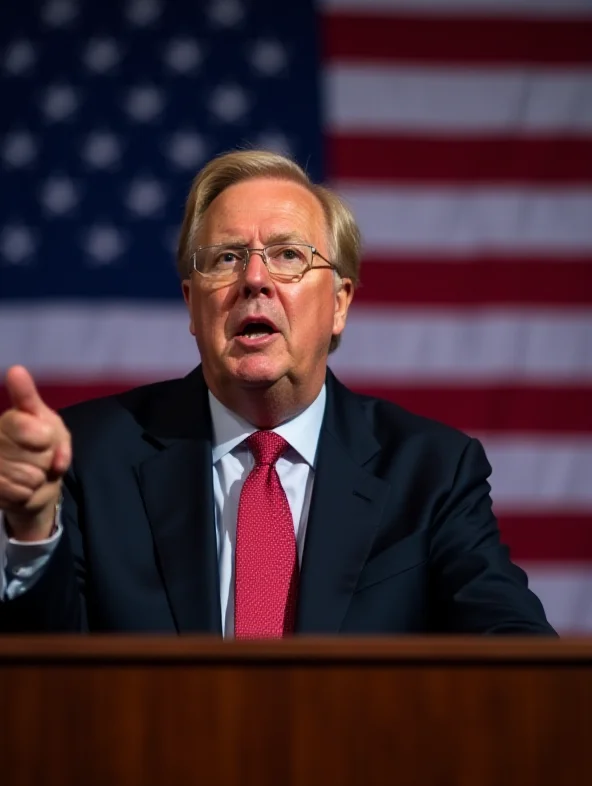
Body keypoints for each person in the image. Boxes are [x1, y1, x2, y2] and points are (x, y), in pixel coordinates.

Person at [0, 149, 556, 636]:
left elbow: (513, 652)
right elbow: (41, 675)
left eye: (289, 255)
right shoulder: (89, 458)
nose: (255, 279)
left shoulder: (431, 472)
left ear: (339, 302)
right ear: (193, 305)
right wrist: (29, 528)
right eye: (226, 258)